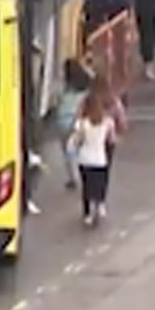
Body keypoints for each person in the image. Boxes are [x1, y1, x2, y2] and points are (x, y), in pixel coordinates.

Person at [71, 89, 117, 227]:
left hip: (85, 159)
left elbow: (77, 140)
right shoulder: (108, 122)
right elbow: (112, 139)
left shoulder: (82, 123)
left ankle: (87, 214)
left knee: (86, 186)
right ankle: (99, 206)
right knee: (99, 184)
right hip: (100, 158)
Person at [56, 60, 93, 190]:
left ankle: (73, 178)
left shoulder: (64, 86)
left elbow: (57, 100)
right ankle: (84, 175)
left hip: (63, 120)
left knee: (68, 151)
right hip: (78, 120)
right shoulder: (86, 86)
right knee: (80, 149)